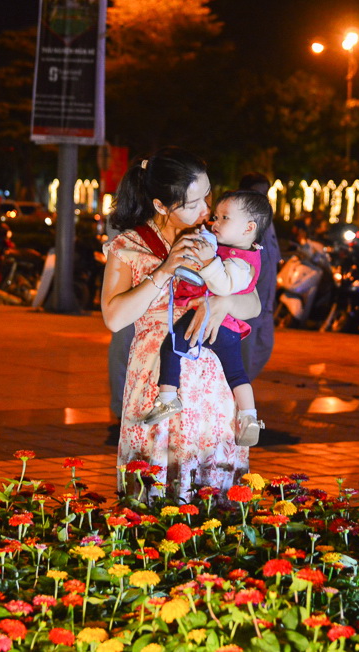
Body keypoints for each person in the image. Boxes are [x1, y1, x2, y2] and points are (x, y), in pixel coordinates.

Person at [100, 147, 261, 502]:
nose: (206, 211)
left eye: (207, 196)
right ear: (161, 205)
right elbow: (114, 318)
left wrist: (225, 300)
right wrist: (165, 270)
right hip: (157, 382)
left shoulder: (219, 238)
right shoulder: (129, 246)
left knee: (214, 494)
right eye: (193, 203)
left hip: (213, 384)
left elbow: (254, 304)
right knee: (153, 493)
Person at [141, 190, 272, 447]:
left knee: (172, 346)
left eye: (224, 218)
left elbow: (223, 286)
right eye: (216, 216)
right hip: (229, 330)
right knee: (237, 375)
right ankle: (248, 416)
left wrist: (207, 260)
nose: (215, 222)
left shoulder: (242, 262)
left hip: (211, 322)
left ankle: (168, 397)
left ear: (249, 228)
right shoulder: (233, 250)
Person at [237, 173, 279, 381]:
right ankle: (235, 396)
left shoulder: (268, 222)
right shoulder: (240, 223)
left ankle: (238, 389)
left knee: (264, 348)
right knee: (245, 352)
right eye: (258, 193)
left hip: (267, 302)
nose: (264, 197)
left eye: (266, 193)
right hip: (248, 305)